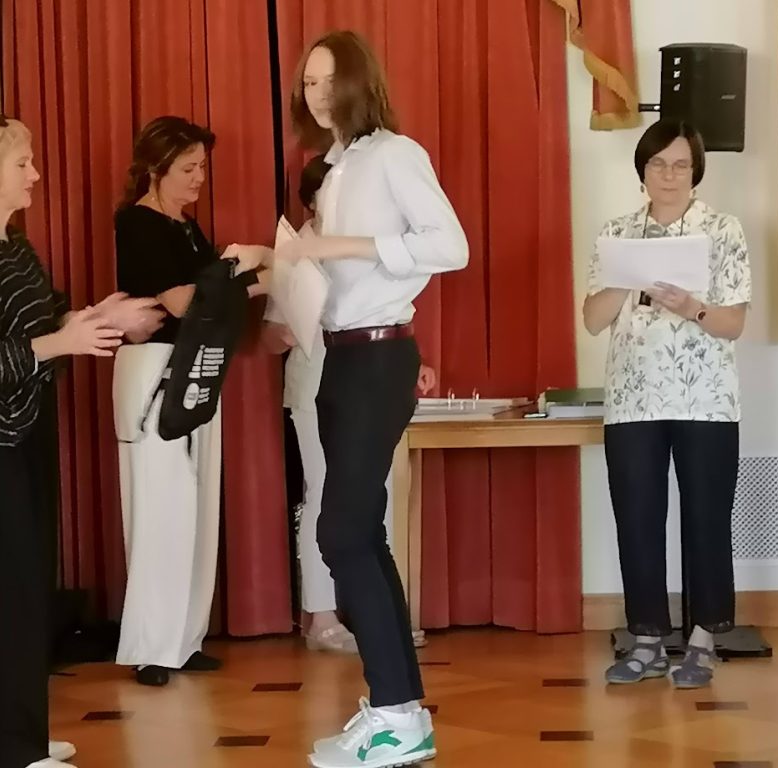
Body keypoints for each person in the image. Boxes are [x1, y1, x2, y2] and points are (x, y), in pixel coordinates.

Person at [267, 30, 468, 768]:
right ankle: (400, 710)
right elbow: (330, 276)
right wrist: (277, 260)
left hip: (379, 356)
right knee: (360, 533)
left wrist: (339, 247)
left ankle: (396, 714)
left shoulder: (393, 154)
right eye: (308, 83)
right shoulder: (335, 168)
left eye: (328, 80)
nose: (317, 94)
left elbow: (451, 246)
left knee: (342, 533)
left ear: (358, 82)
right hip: (340, 356)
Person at [0, 112, 159, 768]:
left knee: (24, 594)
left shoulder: (10, 243)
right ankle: (1, 749)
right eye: (22, 162)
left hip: (22, 435)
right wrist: (67, 339)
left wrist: (98, 317)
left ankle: (22, 737)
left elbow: (42, 323)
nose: (35, 173)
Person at [582, 119, 751, 689]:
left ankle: (702, 640)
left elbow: (733, 323)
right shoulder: (617, 233)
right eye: (658, 164)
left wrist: (690, 307)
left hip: (706, 399)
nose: (670, 175)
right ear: (643, 171)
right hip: (633, 399)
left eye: (681, 165)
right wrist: (627, 276)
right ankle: (647, 640)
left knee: (706, 517)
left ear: (696, 171)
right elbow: (593, 319)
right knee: (637, 517)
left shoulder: (722, 229)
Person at [113, 115, 270, 687]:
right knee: (161, 504)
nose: (200, 177)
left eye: (203, 166)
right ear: (156, 169)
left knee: (197, 504)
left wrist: (255, 277)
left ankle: (184, 638)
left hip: (197, 364)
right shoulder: (138, 222)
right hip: (156, 370)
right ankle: (153, 646)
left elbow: (209, 295)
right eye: (188, 168)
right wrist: (246, 272)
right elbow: (183, 302)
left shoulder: (187, 227)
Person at [263, 155, 434, 654]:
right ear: (312, 202)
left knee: (374, 497)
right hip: (315, 385)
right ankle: (321, 616)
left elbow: (386, 312)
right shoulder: (297, 248)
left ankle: (379, 615)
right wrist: (295, 324)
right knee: (325, 495)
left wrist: (413, 361)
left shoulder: (362, 242)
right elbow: (269, 337)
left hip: (370, 381)